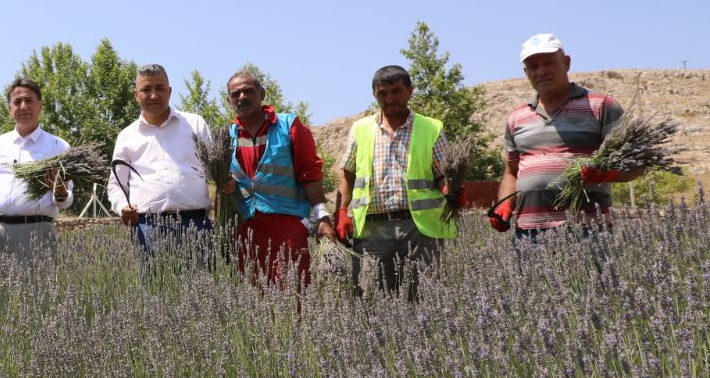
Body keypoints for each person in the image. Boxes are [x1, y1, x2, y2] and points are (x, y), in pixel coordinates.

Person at [492, 33, 634, 237]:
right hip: (529, 234)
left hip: (588, 231)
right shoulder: (517, 117)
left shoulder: (602, 106)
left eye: (549, 63)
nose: (541, 71)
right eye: (533, 67)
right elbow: (512, 172)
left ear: (566, 63)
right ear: (526, 72)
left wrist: (607, 174)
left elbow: (635, 166)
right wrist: (504, 205)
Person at [334, 66, 456, 299]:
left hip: (419, 229)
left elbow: (443, 174)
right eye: (382, 93)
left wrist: (450, 189)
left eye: (396, 91)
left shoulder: (431, 128)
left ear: (410, 91)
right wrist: (341, 211)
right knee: (370, 301)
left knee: (425, 302)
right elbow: (347, 172)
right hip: (372, 231)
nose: (390, 99)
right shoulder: (360, 129)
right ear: (375, 95)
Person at [224, 71, 335, 286]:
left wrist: (322, 217)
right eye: (235, 94)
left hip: (287, 226)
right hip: (245, 230)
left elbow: (309, 173)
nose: (241, 97)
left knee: (295, 292)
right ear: (229, 100)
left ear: (262, 93)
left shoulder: (288, 126)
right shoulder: (226, 136)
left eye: (248, 91)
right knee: (253, 296)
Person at [0, 77, 73, 275]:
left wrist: (60, 191)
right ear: (9, 108)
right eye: (17, 102)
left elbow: (65, 201)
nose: (23, 106)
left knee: (41, 298)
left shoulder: (58, 147)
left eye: (29, 100)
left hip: (39, 233)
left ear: (41, 105)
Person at [106, 64, 212, 259]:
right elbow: (116, 186)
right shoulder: (127, 136)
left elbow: (214, 172)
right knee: (156, 289)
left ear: (170, 91)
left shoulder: (195, 124)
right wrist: (122, 208)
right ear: (136, 94)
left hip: (197, 224)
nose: (154, 95)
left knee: (204, 289)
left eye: (160, 88)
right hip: (148, 228)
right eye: (146, 89)